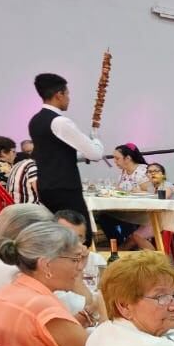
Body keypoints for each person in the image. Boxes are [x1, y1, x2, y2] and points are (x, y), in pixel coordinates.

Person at [28, 73, 105, 245]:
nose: (69, 99)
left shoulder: (35, 121)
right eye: (67, 94)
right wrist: (96, 138)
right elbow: (95, 154)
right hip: (65, 188)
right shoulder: (60, 122)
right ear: (59, 94)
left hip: (46, 187)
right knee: (81, 238)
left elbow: (53, 154)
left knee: (59, 239)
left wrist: (78, 155)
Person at [52, 209, 108, 324]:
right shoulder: (48, 264)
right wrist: (77, 270)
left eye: (78, 238)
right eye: (67, 237)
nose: (73, 243)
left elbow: (105, 297)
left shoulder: (96, 260)